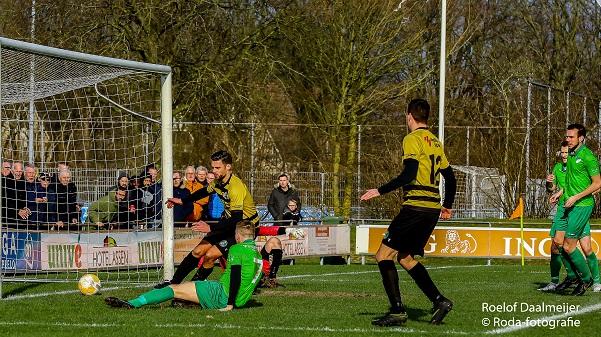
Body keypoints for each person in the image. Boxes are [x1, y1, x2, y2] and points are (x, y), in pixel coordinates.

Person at [360, 98, 456, 326]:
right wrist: (448, 205)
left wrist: (379, 190)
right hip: (432, 208)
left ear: (409, 116)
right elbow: (450, 178)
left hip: (415, 206)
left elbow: (409, 174)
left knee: (383, 255)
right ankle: (439, 300)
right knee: (405, 257)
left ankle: (397, 311)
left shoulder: (412, 139)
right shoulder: (435, 141)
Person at [160, 150, 283, 289]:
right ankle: (173, 284)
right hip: (228, 223)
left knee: (210, 255)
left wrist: (211, 228)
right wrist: (182, 200)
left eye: (217, 168)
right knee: (197, 251)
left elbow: (237, 219)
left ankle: (193, 288)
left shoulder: (236, 187)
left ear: (228, 167)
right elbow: (203, 192)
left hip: (245, 228)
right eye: (213, 167)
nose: (214, 171)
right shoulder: (218, 182)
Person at [105, 220, 263, 311]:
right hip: (238, 299)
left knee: (173, 289)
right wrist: (237, 302)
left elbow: (235, 276)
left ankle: (133, 303)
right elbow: (250, 282)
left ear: (238, 235)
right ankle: (189, 303)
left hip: (222, 295)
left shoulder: (237, 248)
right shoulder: (258, 255)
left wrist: (229, 304)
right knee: (189, 290)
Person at [553, 123, 601, 296]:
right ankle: (576, 277)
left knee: (569, 246)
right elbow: (571, 181)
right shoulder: (571, 154)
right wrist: (561, 192)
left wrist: (576, 197)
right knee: (560, 244)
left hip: (581, 206)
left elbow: (597, 183)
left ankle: (588, 279)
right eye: (567, 136)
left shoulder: (588, 157)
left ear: (581, 138)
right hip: (569, 205)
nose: (568, 139)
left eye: (571, 137)